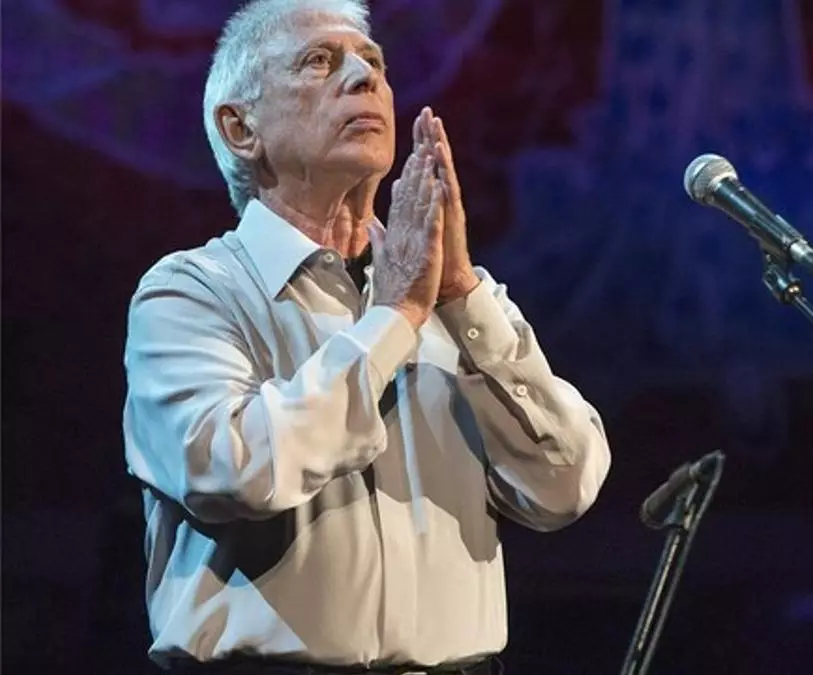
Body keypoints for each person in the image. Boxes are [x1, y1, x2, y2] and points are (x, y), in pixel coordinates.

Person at [121, 0, 612, 673]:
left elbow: (566, 485)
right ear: (241, 129)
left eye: (372, 62)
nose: (363, 77)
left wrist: (460, 295)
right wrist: (395, 319)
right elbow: (232, 469)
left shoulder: (456, 300)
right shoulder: (191, 293)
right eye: (319, 62)